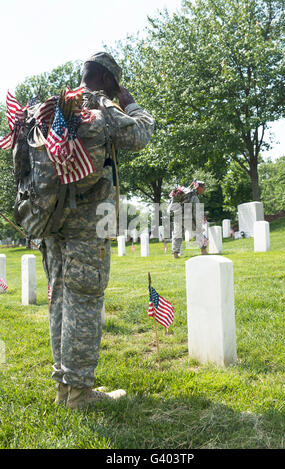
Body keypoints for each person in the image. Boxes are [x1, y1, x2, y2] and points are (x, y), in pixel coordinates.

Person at [40, 52, 155, 409]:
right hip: (87, 224)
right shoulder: (99, 107)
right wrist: (131, 103)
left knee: (60, 298)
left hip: (51, 223)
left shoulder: (54, 108)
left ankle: (65, 386)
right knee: (85, 301)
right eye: (115, 81)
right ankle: (78, 393)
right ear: (107, 79)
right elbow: (141, 134)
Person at [168, 180, 208, 259]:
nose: (204, 190)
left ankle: (175, 254)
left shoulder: (185, 193)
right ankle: (203, 251)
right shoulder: (194, 196)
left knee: (177, 235)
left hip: (177, 215)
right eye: (203, 188)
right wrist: (198, 225)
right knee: (198, 232)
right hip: (187, 217)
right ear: (199, 188)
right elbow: (196, 212)